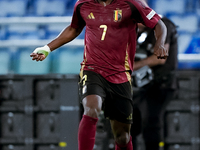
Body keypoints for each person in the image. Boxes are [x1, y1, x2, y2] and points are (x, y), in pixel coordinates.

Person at [30, 0, 168, 149]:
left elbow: (159, 24)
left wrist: (159, 43)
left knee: (122, 136)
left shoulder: (132, 3)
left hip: (120, 74)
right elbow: (73, 29)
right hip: (92, 69)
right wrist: (47, 48)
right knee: (92, 109)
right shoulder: (82, 4)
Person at [130, 15, 178, 150]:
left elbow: (160, 57)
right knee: (133, 121)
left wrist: (133, 65)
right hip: (145, 86)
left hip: (162, 85)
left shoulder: (163, 25)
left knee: (151, 121)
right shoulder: (144, 34)